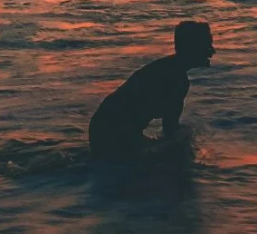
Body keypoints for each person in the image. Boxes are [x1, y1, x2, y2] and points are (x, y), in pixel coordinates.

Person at [89, 20, 214, 161]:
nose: (212, 51)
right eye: (207, 45)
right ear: (193, 48)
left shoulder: (168, 69)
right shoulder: (176, 80)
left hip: (104, 126)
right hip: (110, 130)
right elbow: (170, 131)